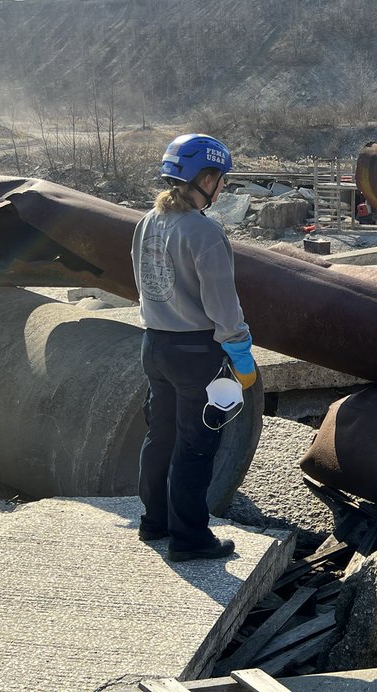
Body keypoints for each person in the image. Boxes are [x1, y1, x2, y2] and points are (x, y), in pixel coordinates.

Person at [131, 133, 257, 562]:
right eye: (219, 179)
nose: (221, 188)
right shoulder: (204, 233)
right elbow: (223, 304)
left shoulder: (148, 221)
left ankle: (154, 523)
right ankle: (189, 539)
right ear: (205, 178)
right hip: (194, 355)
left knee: (160, 436)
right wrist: (240, 351)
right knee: (196, 446)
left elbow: (144, 286)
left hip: (154, 346)